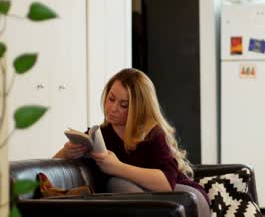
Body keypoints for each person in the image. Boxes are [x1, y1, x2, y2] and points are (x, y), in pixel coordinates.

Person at [54, 68, 210, 217]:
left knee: (119, 182)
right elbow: (52, 167)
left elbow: (166, 183)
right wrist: (66, 152)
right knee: (118, 184)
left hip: (176, 193)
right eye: (111, 99)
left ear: (139, 108)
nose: (113, 108)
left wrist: (116, 167)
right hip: (133, 199)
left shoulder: (152, 134)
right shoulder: (99, 135)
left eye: (123, 105)